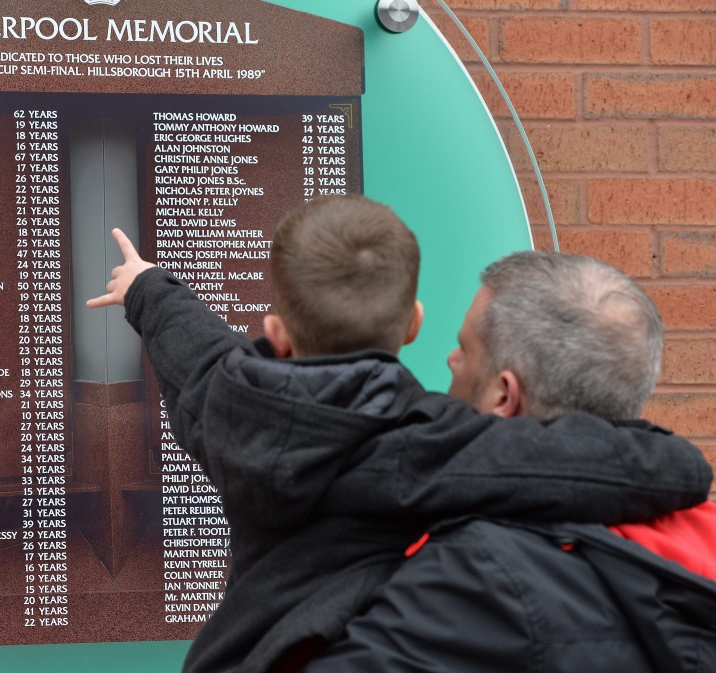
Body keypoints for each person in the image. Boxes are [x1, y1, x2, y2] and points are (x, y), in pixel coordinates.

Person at [86, 196, 712, 673]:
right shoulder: (436, 448)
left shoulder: (231, 411)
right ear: (411, 323)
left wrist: (148, 291)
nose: (448, 361)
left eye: (464, 350)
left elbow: (200, 365)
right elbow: (567, 464)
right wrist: (671, 462)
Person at [302, 251, 716, 673]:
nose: (452, 359)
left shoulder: (475, 575)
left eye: (465, 347)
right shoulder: (701, 530)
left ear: (504, 395)